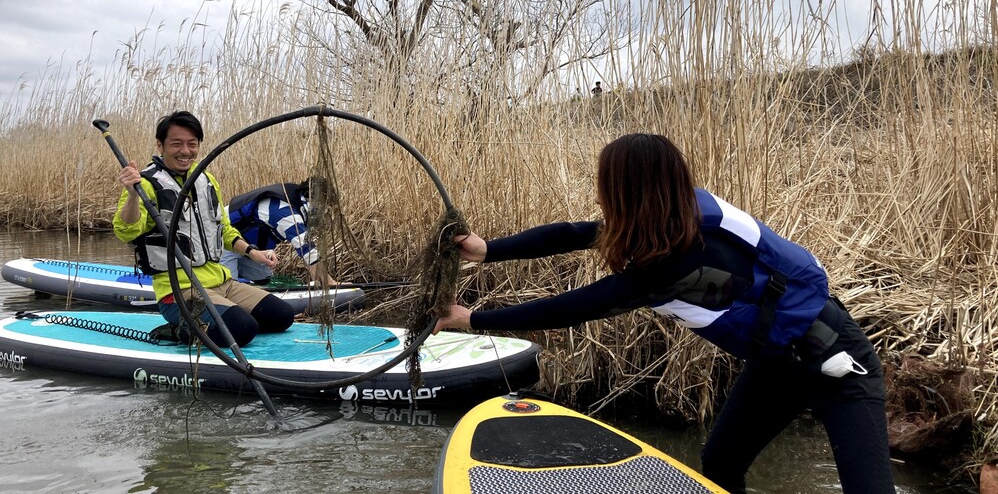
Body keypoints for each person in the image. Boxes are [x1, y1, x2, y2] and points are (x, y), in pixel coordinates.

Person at [435, 133, 896, 494]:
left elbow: (575, 307)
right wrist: (487, 250)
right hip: (776, 362)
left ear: (631, 194)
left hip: (838, 367)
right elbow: (574, 233)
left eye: (606, 187)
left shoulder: (678, 262)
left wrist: (473, 320)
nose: (599, 197)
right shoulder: (671, 216)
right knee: (720, 465)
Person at [113, 111, 296, 348]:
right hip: (180, 290)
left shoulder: (206, 180)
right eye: (176, 144)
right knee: (243, 328)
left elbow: (225, 231)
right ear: (160, 145)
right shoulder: (145, 184)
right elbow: (125, 231)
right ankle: (180, 329)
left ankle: (223, 317)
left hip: (223, 283)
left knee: (282, 316)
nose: (185, 151)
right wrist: (130, 194)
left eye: (192, 144)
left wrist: (253, 253)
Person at [220, 179, 338, 287]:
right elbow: (307, 250)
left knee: (264, 280)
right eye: (324, 209)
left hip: (251, 248)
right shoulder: (286, 212)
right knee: (230, 287)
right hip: (225, 241)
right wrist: (329, 283)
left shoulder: (296, 200)